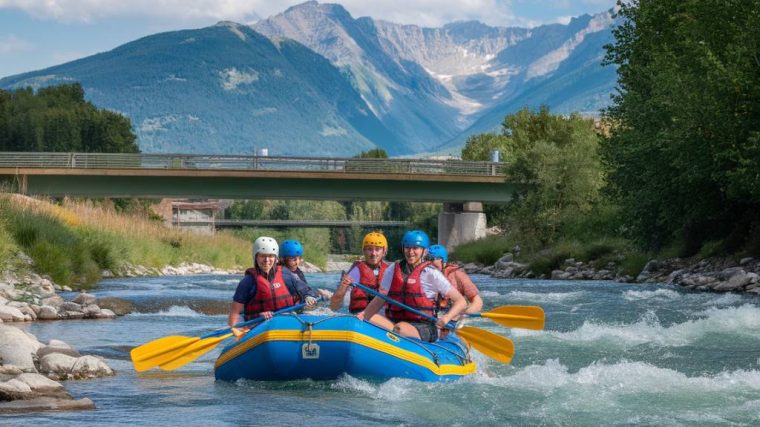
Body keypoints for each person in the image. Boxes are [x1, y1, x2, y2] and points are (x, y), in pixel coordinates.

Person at [357, 230, 467, 342]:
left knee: (400, 329)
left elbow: (461, 301)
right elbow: (381, 298)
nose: (410, 252)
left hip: (423, 326)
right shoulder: (393, 269)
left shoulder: (431, 273)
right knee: (370, 319)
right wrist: (363, 315)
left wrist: (447, 318)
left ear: (424, 251)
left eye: (415, 248)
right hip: (393, 322)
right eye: (408, 248)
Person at [228, 236, 319, 330]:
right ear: (256, 257)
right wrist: (256, 317)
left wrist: (309, 296)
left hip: (287, 323)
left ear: (276, 258)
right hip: (259, 327)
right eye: (263, 256)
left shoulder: (286, 275)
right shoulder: (248, 282)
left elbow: (305, 290)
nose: (267, 260)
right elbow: (235, 314)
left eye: (271, 256)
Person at [330, 231, 389, 315]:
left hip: (382, 316)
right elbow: (335, 304)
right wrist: (343, 286)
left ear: (384, 251)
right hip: (359, 315)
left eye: (377, 249)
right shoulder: (356, 271)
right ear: (364, 251)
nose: (373, 253)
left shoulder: (390, 271)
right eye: (369, 249)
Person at [427, 244, 483, 315]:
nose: (428, 263)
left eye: (432, 259)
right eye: (426, 260)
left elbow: (477, 302)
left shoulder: (458, 275)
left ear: (443, 260)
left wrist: (462, 315)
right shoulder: (425, 275)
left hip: (456, 315)